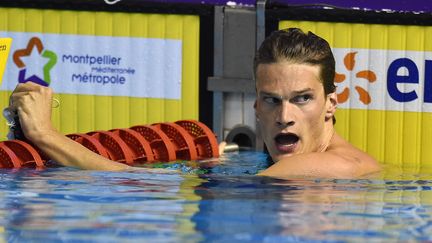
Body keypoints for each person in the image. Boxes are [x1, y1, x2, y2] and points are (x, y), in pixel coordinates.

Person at [7, 28, 381, 178]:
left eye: (303, 99)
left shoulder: (324, 167)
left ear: (331, 103)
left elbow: (139, 184)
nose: (285, 116)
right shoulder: (292, 163)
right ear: (256, 107)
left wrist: (45, 134)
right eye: (272, 100)